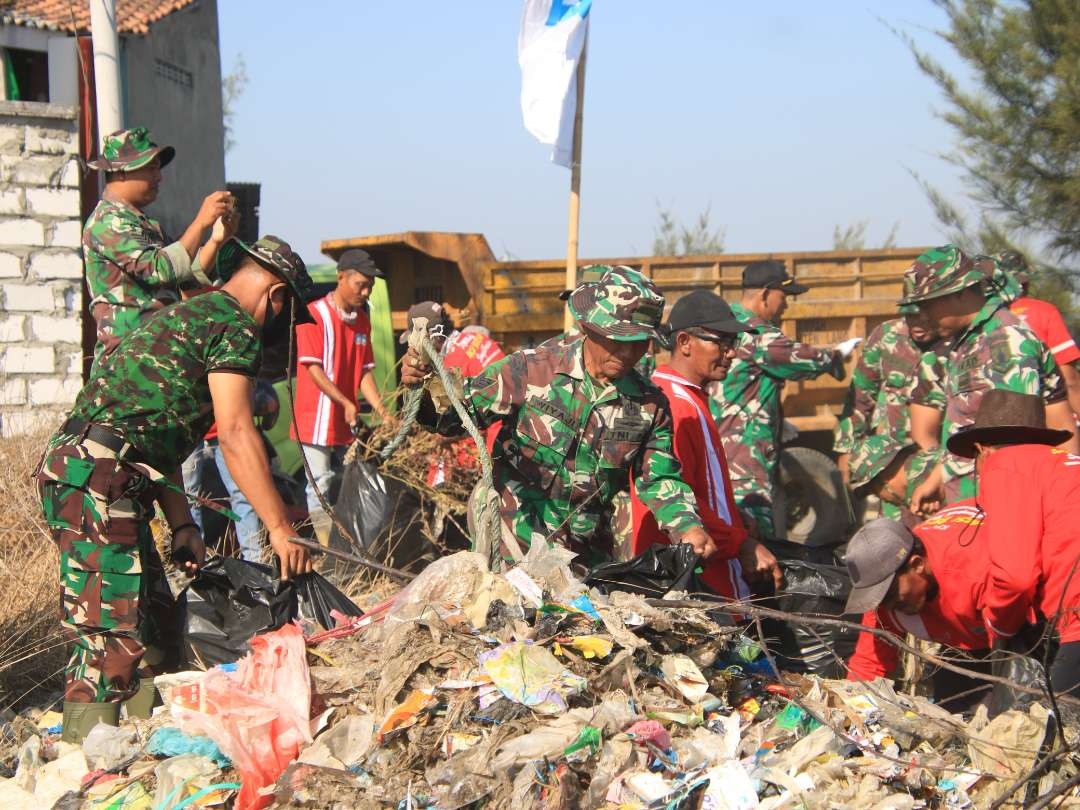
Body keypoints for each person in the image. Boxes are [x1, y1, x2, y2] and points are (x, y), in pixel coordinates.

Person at [35, 235, 315, 742]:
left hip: (103, 473)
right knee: (111, 635)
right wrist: (279, 527)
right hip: (96, 477)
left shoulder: (190, 315)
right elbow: (234, 431)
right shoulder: (234, 326)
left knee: (155, 622)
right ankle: (87, 770)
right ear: (276, 296)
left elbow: (157, 443)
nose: (278, 327)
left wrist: (183, 523)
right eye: (285, 314)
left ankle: (142, 745)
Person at [400, 266, 715, 567]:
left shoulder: (650, 405)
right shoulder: (529, 370)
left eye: (638, 343)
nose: (628, 353)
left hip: (584, 560)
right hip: (514, 547)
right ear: (586, 326)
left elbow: (659, 478)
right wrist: (420, 390)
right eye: (618, 339)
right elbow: (452, 417)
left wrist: (687, 525)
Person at [631, 290, 782, 597]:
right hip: (697, 581)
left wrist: (738, 521)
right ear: (685, 342)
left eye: (733, 343)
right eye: (721, 342)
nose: (731, 352)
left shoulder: (691, 398)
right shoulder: (675, 405)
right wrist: (741, 543)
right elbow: (675, 495)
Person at [904, 245, 1075, 512]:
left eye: (928, 304)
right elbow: (968, 422)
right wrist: (940, 476)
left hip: (1004, 505)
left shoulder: (1004, 340)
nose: (923, 315)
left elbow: (1016, 442)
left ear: (960, 293)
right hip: (973, 500)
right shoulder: (967, 343)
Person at [711, 260, 860, 539]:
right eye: (784, 297)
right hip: (745, 457)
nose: (787, 306)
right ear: (765, 294)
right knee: (756, 537)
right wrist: (836, 355)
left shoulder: (726, 324)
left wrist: (778, 421)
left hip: (723, 451)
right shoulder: (755, 332)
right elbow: (798, 358)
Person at [945, 389, 1080, 696]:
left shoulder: (1004, 464)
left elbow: (1016, 576)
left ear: (983, 449)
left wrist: (1000, 628)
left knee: (1056, 729)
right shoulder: (1064, 464)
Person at [84, 127, 237, 362]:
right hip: (128, 363)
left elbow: (185, 278)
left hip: (155, 356)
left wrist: (218, 240)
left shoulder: (143, 224)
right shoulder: (108, 221)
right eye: (150, 169)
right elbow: (160, 270)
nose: (159, 177)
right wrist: (200, 222)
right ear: (121, 172)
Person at [844, 509, 993, 711]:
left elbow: (1011, 652)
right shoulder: (886, 597)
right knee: (950, 712)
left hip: (1025, 621)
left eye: (889, 594)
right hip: (965, 641)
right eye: (879, 598)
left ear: (917, 565)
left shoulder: (971, 572)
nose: (888, 606)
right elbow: (868, 665)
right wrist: (852, 713)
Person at [291, 249, 391, 540]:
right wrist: (346, 402)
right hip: (315, 418)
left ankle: (351, 543)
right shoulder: (314, 314)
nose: (366, 291)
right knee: (320, 484)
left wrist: (383, 412)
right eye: (361, 284)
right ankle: (326, 547)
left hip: (346, 422)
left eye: (369, 285)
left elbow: (364, 373)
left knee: (351, 482)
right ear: (341, 278)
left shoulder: (362, 320)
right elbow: (313, 369)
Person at [833, 302, 941, 490]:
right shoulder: (887, 336)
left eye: (924, 318)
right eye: (910, 317)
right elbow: (860, 394)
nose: (917, 325)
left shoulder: (956, 343)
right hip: (891, 465)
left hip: (938, 463)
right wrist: (846, 448)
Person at [399, 302, 506, 488]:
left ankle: (442, 500)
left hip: (491, 438)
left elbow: (450, 422)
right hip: (506, 428)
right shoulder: (474, 337)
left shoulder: (452, 364)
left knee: (440, 459)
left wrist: (425, 443)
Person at [180, 380, 279, 561]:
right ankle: (193, 563)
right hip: (189, 424)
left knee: (244, 494)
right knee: (188, 497)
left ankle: (255, 562)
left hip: (225, 427)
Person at [1000, 250, 1080, 421]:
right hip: (1044, 417)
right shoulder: (1044, 311)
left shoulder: (980, 319)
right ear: (1026, 282)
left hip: (993, 421)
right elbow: (1070, 379)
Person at [845, 435, 935, 528]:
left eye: (875, 492)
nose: (884, 500)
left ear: (886, 480)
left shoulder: (940, 475)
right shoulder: (935, 465)